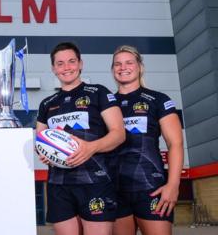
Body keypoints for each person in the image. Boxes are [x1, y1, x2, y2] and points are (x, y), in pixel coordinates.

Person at [36, 42, 125, 235]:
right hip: (58, 185)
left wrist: (90, 147)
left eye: (71, 61)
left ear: (80, 64)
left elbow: (119, 134)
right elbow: (40, 139)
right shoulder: (47, 103)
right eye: (60, 63)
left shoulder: (99, 92)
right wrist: (45, 153)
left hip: (95, 181)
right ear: (53, 68)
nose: (66, 67)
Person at [111, 45, 184, 235]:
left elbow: (175, 144)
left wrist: (173, 185)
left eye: (129, 62)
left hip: (151, 188)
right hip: (115, 189)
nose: (123, 67)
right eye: (117, 64)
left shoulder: (158, 100)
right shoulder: (106, 104)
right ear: (112, 70)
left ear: (140, 66)